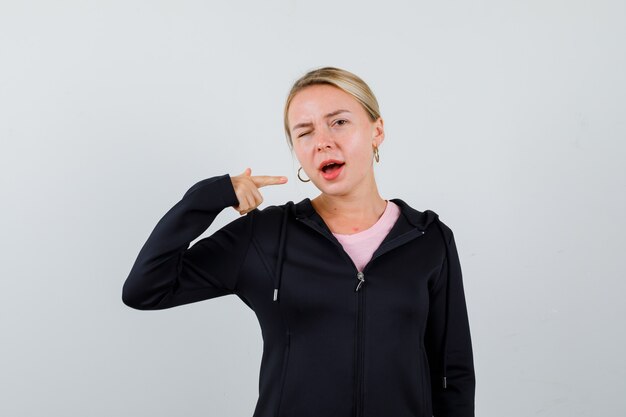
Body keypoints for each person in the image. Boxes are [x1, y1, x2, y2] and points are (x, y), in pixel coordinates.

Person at [122, 66, 475, 417]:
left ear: (376, 131)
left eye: (339, 122)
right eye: (304, 132)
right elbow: (146, 288)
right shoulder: (265, 236)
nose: (322, 141)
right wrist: (207, 198)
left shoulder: (429, 238)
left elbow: (452, 374)